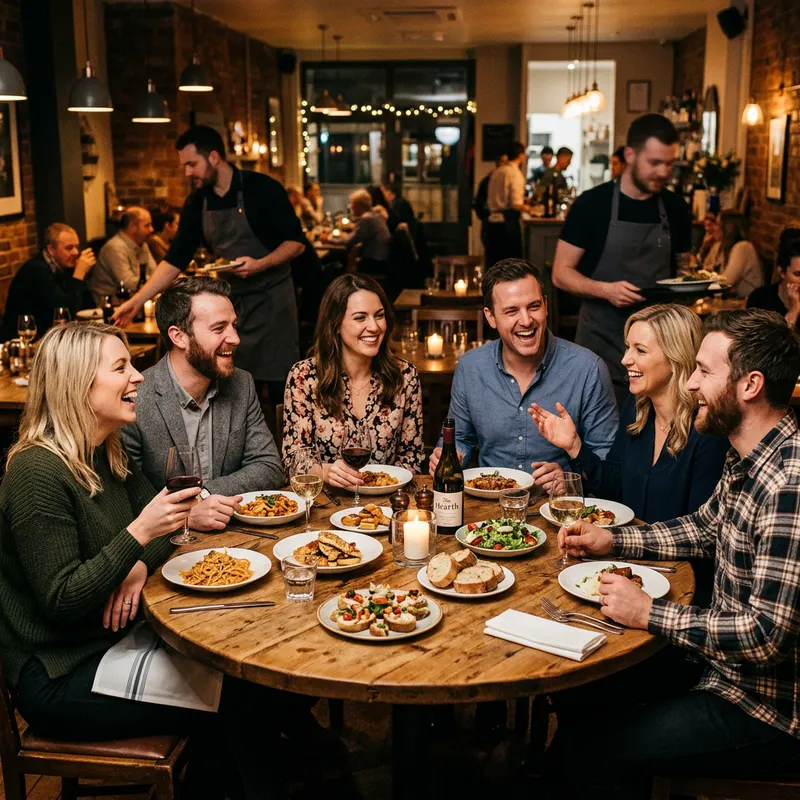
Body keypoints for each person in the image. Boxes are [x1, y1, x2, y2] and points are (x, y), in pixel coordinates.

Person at [0, 322, 289, 799]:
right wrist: (136, 537)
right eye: (121, 367)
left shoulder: (105, 450)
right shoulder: (37, 472)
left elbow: (171, 529)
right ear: (78, 384)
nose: (138, 376)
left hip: (114, 636)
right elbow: (61, 600)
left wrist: (134, 559)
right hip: (60, 670)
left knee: (243, 682)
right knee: (240, 696)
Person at [546, 308, 800, 799]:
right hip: (719, 668)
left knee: (591, 752)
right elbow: (702, 528)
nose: (690, 385)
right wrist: (614, 539)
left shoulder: (788, 487)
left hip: (763, 709)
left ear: (749, 385)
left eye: (705, 372)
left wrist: (651, 612)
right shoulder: (747, 454)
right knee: (584, 695)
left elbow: (766, 636)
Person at [113, 126, 306, 408]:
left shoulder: (262, 189)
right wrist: (136, 301)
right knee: (230, 388)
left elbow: (296, 243)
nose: (188, 172)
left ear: (214, 157)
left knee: (281, 387)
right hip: (229, 307)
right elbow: (174, 260)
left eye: (192, 164)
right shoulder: (197, 203)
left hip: (272, 303)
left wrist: (260, 264)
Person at [529, 302, 728, 522]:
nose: (625, 360)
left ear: (675, 359)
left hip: (670, 555)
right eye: (627, 347)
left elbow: (699, 532)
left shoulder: (707, 429)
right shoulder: (637, 410)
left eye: (640, 350)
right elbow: (614, 488)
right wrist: (575, 446)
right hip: (625, 550)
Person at [428, 259, 617, 489]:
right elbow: (461, 438)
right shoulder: (471, 367)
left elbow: (608, 460)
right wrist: (450, 454)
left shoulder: (588, 369)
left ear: (546, 305)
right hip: (488, 508)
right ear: (490, 317)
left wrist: (569, 479)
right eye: (511, 311)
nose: (526, 321)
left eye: (534, 306)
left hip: (557, 511)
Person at [121, 277, 284, 532]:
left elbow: (269, 467)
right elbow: (126, 498)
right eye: (219, 329)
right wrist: (185, 516)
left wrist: (204, 497)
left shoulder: (241, 384)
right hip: (161, 550)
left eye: (233, 325)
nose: (235, 338)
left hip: (235, 541)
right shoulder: (136, 398)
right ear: (179, 336)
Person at [553, 113, 692, 405]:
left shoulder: (676, 209)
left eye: (669, 164)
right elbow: (560, 273)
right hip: (602, 345)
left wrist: (691, 287)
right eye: (654, 163)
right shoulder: (593, 205)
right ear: (630, 154)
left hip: (661, 352)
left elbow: (684, 270)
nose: (663, 172)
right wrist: (606, 290)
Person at [283, 273, 424, 489]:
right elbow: (293, 459)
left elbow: (412, 456)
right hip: (327, 502)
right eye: (360, 318)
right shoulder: (304, 376)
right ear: (336, 324)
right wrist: (324, 471)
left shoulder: (404, 376)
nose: (374, 327)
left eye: (379, 315)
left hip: (387, 504)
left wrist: (385, 488)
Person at [0, 223, 95, 342]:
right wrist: (78, 276)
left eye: (77, 246)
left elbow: (89, 306)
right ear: (51, 249)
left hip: (49, 338)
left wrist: (80, 275)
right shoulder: (36, 270)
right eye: (69, 248)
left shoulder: (65, 266)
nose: (76, 252)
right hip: (23, 342)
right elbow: (64, 313)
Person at [90, 206, 157, 304]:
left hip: (132, 300)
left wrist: (155, 279)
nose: (152, 229)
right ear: (132, 227)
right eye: (147, 225)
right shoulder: (115, 247)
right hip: (109, 304)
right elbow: (128, 284)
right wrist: (155, 280)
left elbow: (154, 271)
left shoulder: (142, 244)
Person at [485, 142, 535, 269]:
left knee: (493, 267)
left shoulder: (497, 171)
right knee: (510, 269)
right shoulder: (515, 173)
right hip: (506, 225)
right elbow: (516, 204)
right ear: (520, 155)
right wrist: (529, 208)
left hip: (491, 223)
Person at [331, 188, 391, 275]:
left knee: (337, 262)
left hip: (374, 263)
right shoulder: (374, 215)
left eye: (353, 204)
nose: (351, 207)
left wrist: (330, 239)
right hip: (382, 260)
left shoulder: (367, 219)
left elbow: (349, 241)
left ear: (359, 205)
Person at [705, 210, 764, 298]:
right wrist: (703, 248)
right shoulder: (719, 246)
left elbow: (726, 281)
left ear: (728, 228)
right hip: (730, 301)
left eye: (717, 224)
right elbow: (706, 269)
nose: (713, 227)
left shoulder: (743, 247)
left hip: (747, 305)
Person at [748, 236, 800, 326]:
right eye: (798, 274)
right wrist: (793, 312)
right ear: (782, 272)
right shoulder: (760, 299)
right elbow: (767, 340)